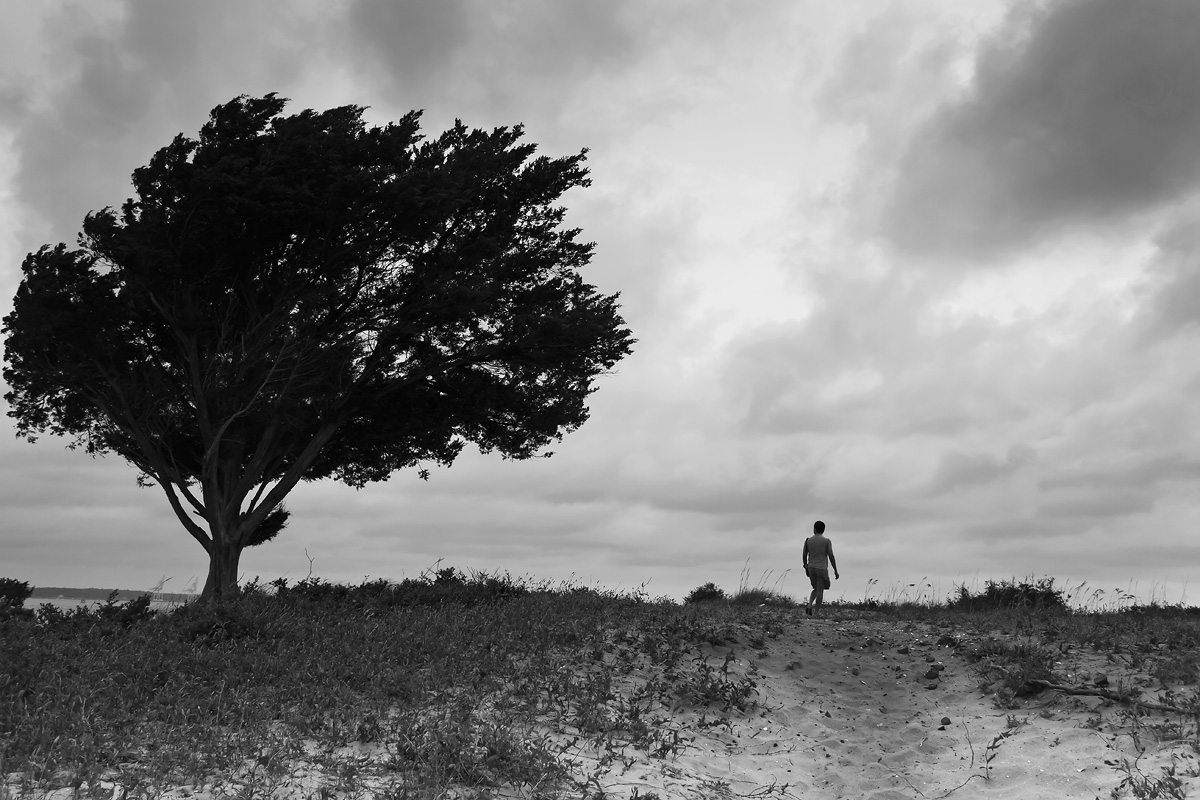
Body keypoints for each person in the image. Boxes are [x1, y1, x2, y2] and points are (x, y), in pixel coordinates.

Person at [802, 520, 838, 616]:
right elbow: (831, 555)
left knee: (816, 588)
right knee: (820, 590)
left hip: (811, 567)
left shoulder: (808, 540)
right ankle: (816, 613)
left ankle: (809, 605)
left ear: (814, 529)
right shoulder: (826, 541)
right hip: (821, 568)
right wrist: (835, 570)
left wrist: (805, 566)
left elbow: (804, 555)